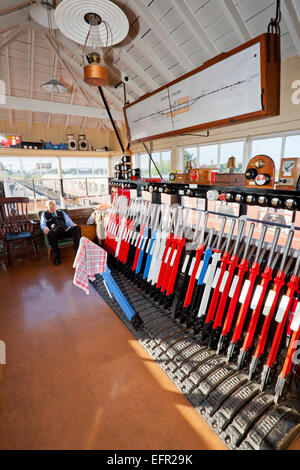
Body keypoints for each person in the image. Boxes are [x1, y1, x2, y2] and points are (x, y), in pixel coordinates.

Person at [40, 200, 81, 265]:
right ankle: (57, 256)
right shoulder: (44, 214)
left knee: (76, 228)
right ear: (47, 207)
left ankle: (78, 255)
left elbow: (69, 222)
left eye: (53, 205)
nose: (52, 207)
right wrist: (44, 228)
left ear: (55, 206)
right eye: (50, 206)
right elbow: (42, 224)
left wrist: (73, 224)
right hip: (55, 233)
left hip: (65, 230)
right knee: (51, 233)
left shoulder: (61, 212)